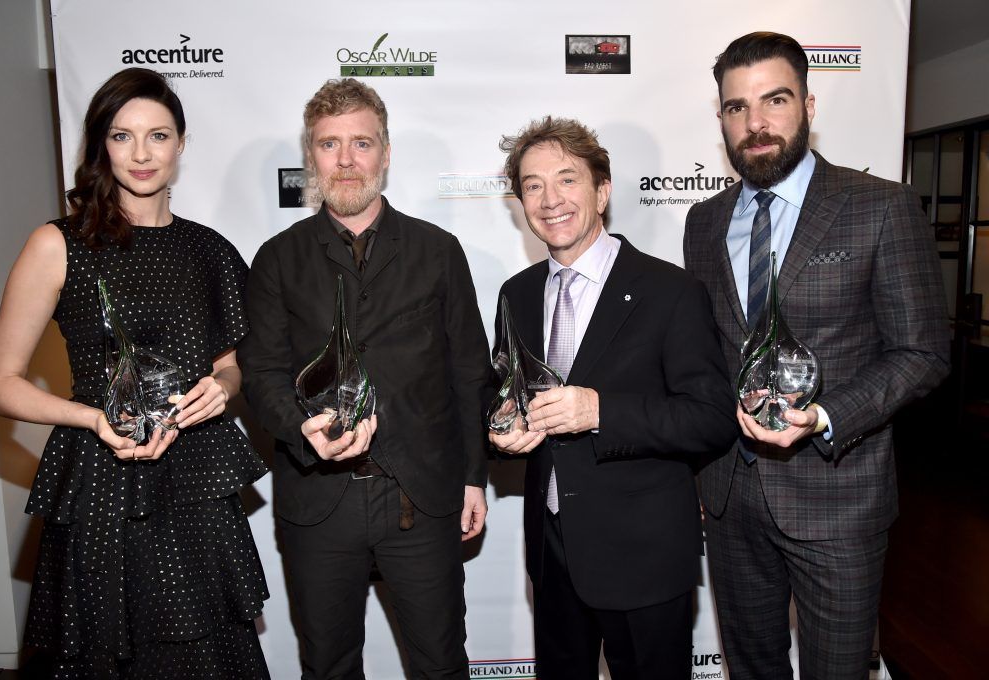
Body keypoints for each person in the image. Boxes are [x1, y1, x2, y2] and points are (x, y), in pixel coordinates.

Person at [0, 68, 270, 678]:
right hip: (102, 480)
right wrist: (92, 417)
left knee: (209, 654)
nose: (141, 154)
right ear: (99, 145)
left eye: (158, 136)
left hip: (197, 480)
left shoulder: (211, 250)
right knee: (110, 654)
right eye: (121, 136)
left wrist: (224, 388)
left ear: (182, 144)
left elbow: (230, 364)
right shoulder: (58, 245)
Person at [683, 32, 951, 679]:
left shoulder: (880, 207)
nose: (756, 123)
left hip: (839, 500)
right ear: (721, 117)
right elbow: (709, 356)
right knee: (751, 668)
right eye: (736, 107)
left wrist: (826, 415)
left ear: (807, 102)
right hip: (728, 497)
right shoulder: (704, 221)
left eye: (774, 100)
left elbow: (923, 352)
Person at [238, 78, 490, 679]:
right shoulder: (277, 258)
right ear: (311, 156)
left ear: (385, 151)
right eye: (329, 145)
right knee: (328, 666)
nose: (346, 161)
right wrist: (304, 430)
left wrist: (474, 477)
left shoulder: (438, 251)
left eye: (361, 143)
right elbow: (262, 372)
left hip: (423, 495)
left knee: (441, 663)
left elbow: (468, 373)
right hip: (318, 497)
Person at [490, 116, 737, 679]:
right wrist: (501, 425)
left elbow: (712, 418)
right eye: (532, 185)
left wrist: (601, 412)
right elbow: (502, 389)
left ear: (602, 190)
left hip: (642, 553)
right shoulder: (516, 294)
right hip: (552, 551)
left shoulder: (671, 292)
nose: (550, 199)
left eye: (567, 179)